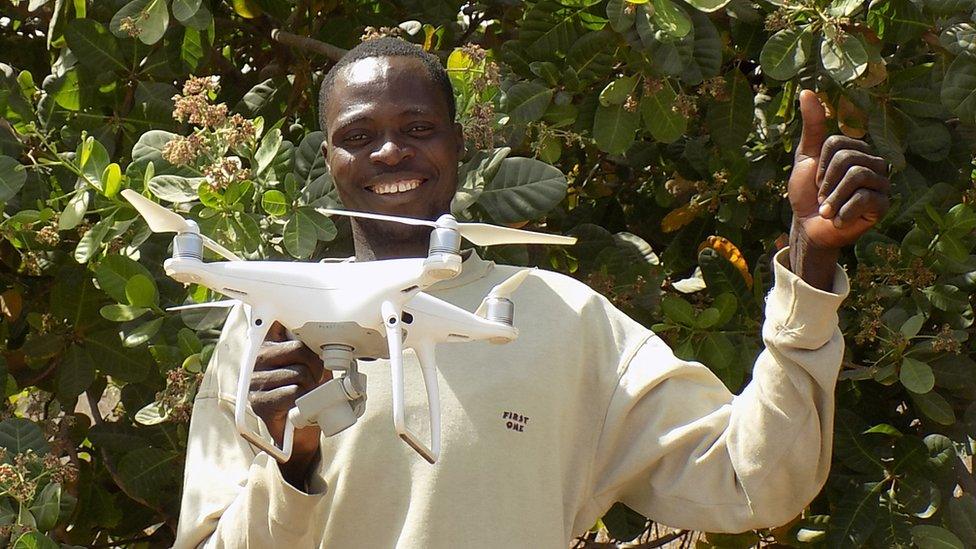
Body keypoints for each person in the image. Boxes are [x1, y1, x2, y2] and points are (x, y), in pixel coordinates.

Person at [174, 38, 890, 548]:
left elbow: (753, 481)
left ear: (459, 144)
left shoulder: (565, 319)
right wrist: (291, 464)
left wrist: (812, 261)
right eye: (358, 136)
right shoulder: (269, 326)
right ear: (328, 160)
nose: (390, 152)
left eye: (417, 128)